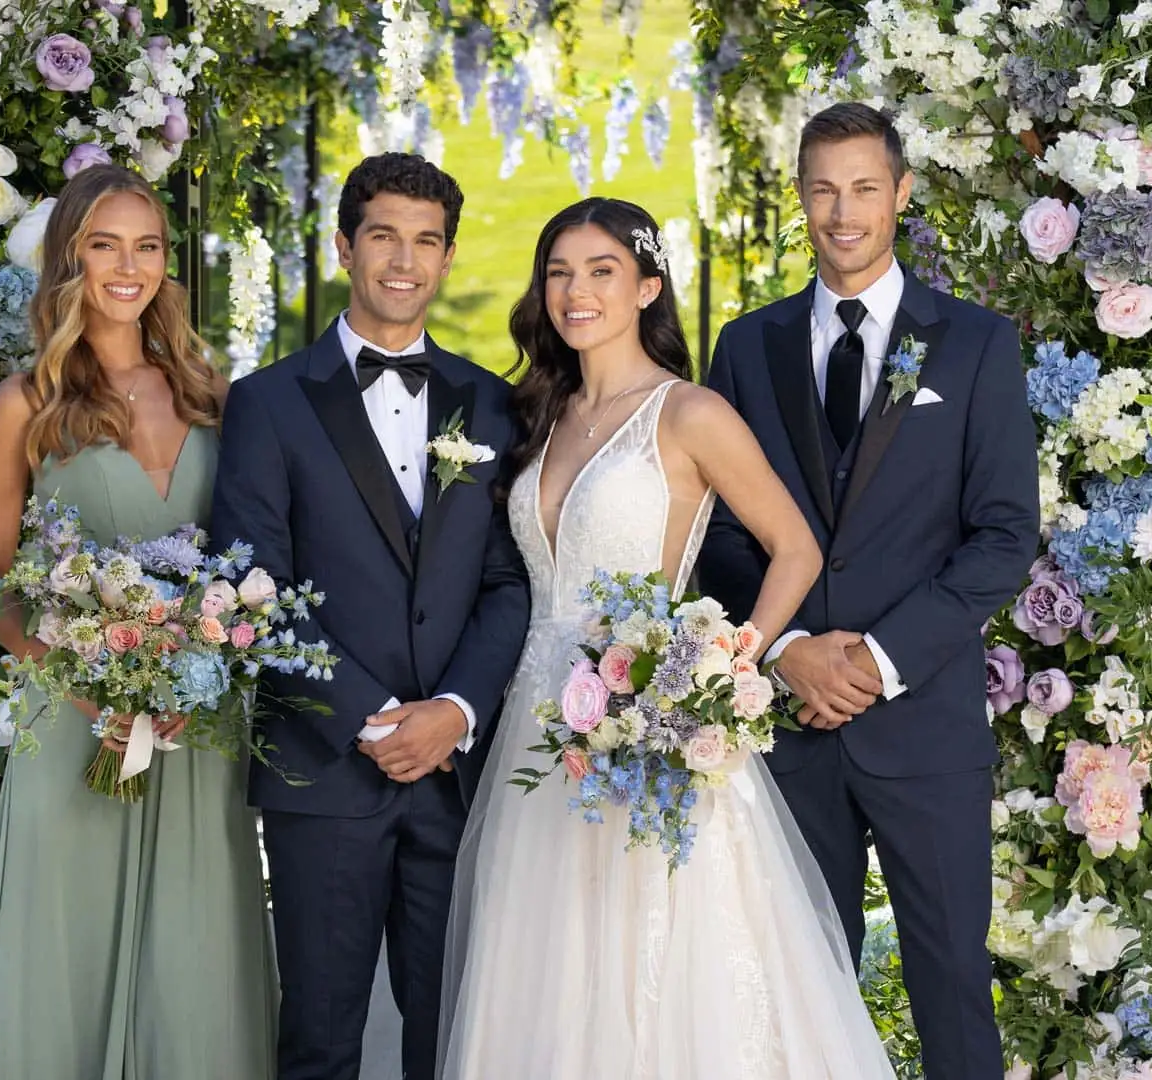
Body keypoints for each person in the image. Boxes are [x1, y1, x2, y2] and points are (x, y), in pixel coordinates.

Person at [437, 196, 897, 1080]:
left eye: (601, 272)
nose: (576, 292)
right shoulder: (540, 415)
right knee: (545, 968)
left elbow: (795, 547)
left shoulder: (688, 413)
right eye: (559, 272)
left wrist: (723, 667)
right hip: (539, 734)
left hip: (653, 732)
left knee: (665, 965)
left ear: (647, 287)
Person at [697, 103, 1040, 1080]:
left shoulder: (973, 344)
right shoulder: (747, 347)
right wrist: (786, 650)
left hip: (924, 725)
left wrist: (878, 660)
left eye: (862, 189)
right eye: (823, 190)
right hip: (789, 728)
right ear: (800, 198)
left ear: (900, 194)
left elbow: (1003, 535)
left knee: (953, 990)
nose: (842, 213)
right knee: (796, 994)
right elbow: (720, 534)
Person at [0, 163, 275, 1079]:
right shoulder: (25, 405)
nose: (128, 268)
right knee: (66, 965)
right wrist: (91, 687)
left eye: (147, 247)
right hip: (77, 728)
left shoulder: (214, 396)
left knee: (196, 966)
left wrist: (206, 658)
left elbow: (252, 564)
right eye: (105, 246)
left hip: (195, 733)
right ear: (70, 260)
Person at [210, 153, 529, 1080]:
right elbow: (255, 587)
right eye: (383, 236)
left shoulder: (492, 404)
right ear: (344, 247)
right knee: (319, 1039)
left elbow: (510, 582)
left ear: (449, 257)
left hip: (457, 778)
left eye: (425, 241)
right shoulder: (268, 403)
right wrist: (375, 720)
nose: (403, 260)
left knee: (455, 1036)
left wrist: (455, 712)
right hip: (323, 772)